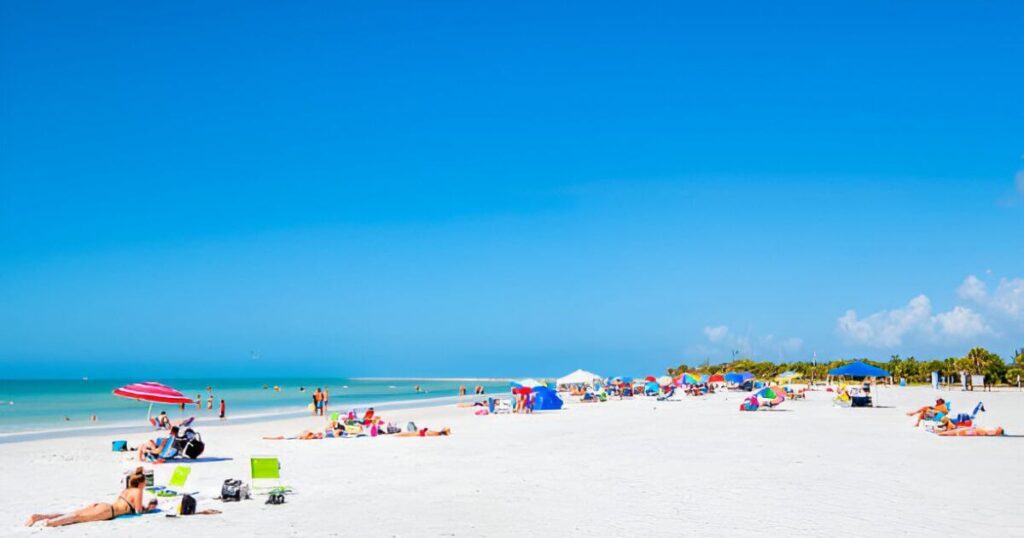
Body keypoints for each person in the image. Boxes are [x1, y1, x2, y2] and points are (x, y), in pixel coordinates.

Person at [26, 467, 156, 527]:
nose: (145, 485)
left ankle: (39, 517)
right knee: (77, 518)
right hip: (107, 512)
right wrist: (149, 509)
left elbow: (130, 505)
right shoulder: (138, 491)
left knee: (72, 514)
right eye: (144, 483)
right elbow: (138, 511)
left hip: (103, 505)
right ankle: (49, 523)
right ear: (141, 483)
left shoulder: (126, 490)